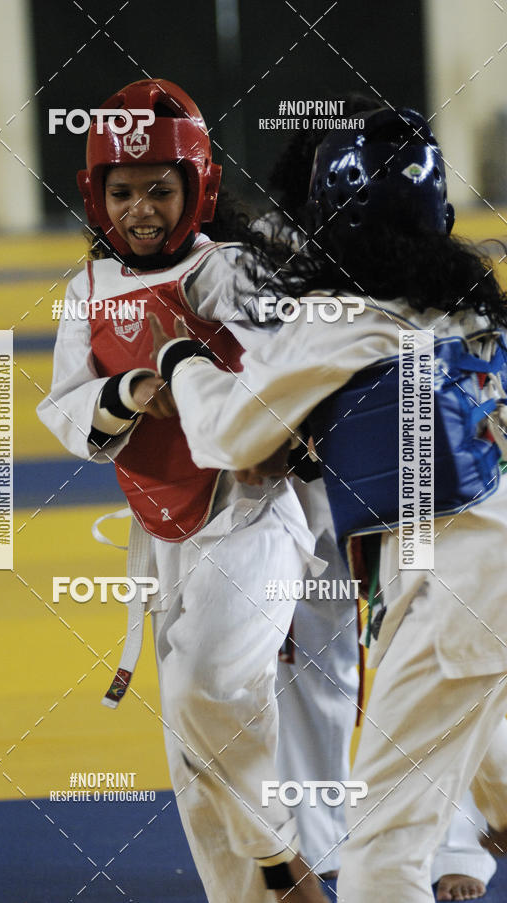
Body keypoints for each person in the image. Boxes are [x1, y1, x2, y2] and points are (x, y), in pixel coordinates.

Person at [148, 106, 507, 903]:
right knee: (485, 759)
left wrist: (179, 361)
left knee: (382, 861)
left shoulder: (336, 316)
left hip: (459, 598)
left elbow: (231, 439)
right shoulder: (471, 303)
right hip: (480, 583)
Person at [37, 78, 330, 903]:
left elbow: (297, 358)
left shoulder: (227, 270)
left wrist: (295, 426)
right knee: (194, 754)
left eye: (159, 190)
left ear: (195, 186)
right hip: (162, 539)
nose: (140, 210)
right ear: (96, 196)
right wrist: (129, 392)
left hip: (250, 519)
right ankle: (253, 891)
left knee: (210, 688)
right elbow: (66, 414)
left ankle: (285, 867)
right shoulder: (86, 292)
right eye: (121, 192)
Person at [260, 99, 500, 900]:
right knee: (322, 664)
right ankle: (332, 838)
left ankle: (451, 839)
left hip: (401, 511)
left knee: (417, 660)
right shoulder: (261, 268)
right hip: (320, 505)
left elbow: (232, 430)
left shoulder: (367, 304)